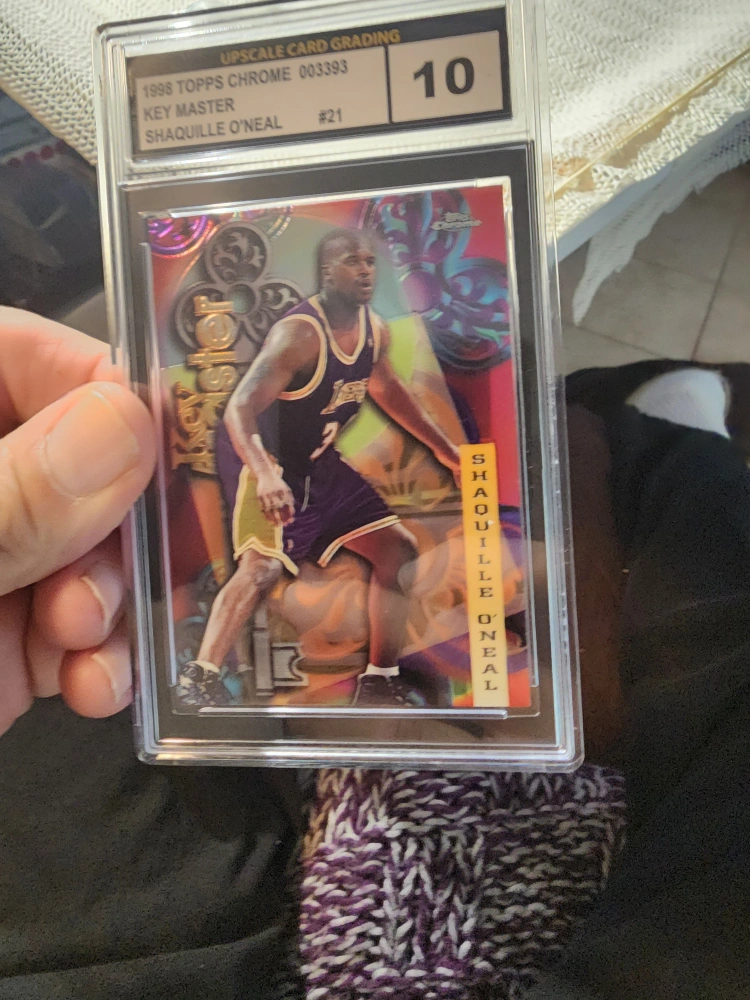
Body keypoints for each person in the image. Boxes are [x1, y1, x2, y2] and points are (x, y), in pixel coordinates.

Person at [180, 229, 461, 709]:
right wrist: (265, 474)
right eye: (353, 262)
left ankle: (379, 681)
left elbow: (387, 390)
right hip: (266, 458)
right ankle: (199, 676)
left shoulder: (375, 330)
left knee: (397, 549)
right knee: (262, 568)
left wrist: (445, 450)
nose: (365, 271)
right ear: (328, 272)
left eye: (370, 261)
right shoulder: (300, 335)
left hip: (319, 461)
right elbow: (239, 409)